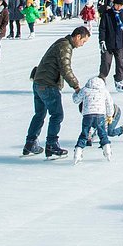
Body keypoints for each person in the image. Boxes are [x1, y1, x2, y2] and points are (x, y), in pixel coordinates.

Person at [23, 25, 91, 158]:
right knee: (57, 115)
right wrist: (76, 86)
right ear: (78, 36)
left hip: (38, 83)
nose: (82, 44)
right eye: (83, 41)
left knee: (39, 114)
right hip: (48, 85)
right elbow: (65, 69)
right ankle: (52, 144)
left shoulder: (61, 43)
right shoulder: (65, 46)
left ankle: (30, 143)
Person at [73, 73, 118, 163]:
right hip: (100, 115)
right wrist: (109, 115)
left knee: (84, 134)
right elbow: (109, 103)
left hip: (87, 115)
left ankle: (78, 152)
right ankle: (107, 151)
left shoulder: (85, 90)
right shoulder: (104, 91)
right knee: (103, 134)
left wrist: (75, 93)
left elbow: (76, 100)